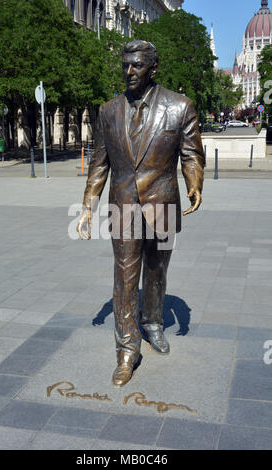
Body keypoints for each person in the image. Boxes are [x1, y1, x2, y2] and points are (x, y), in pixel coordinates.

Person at [77, 40, 205, 387]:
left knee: (157, 270)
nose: (129, 71)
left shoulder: (179, 107)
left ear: (153, 69)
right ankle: (127, 349)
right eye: (125, 64)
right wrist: (88, 205)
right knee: (124, 275)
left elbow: (191, 153)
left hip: (162, 202)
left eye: (136, 65)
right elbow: (99, 164)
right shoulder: (108, 111)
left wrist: (195, 183)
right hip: (122, 206)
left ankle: (152, 322)